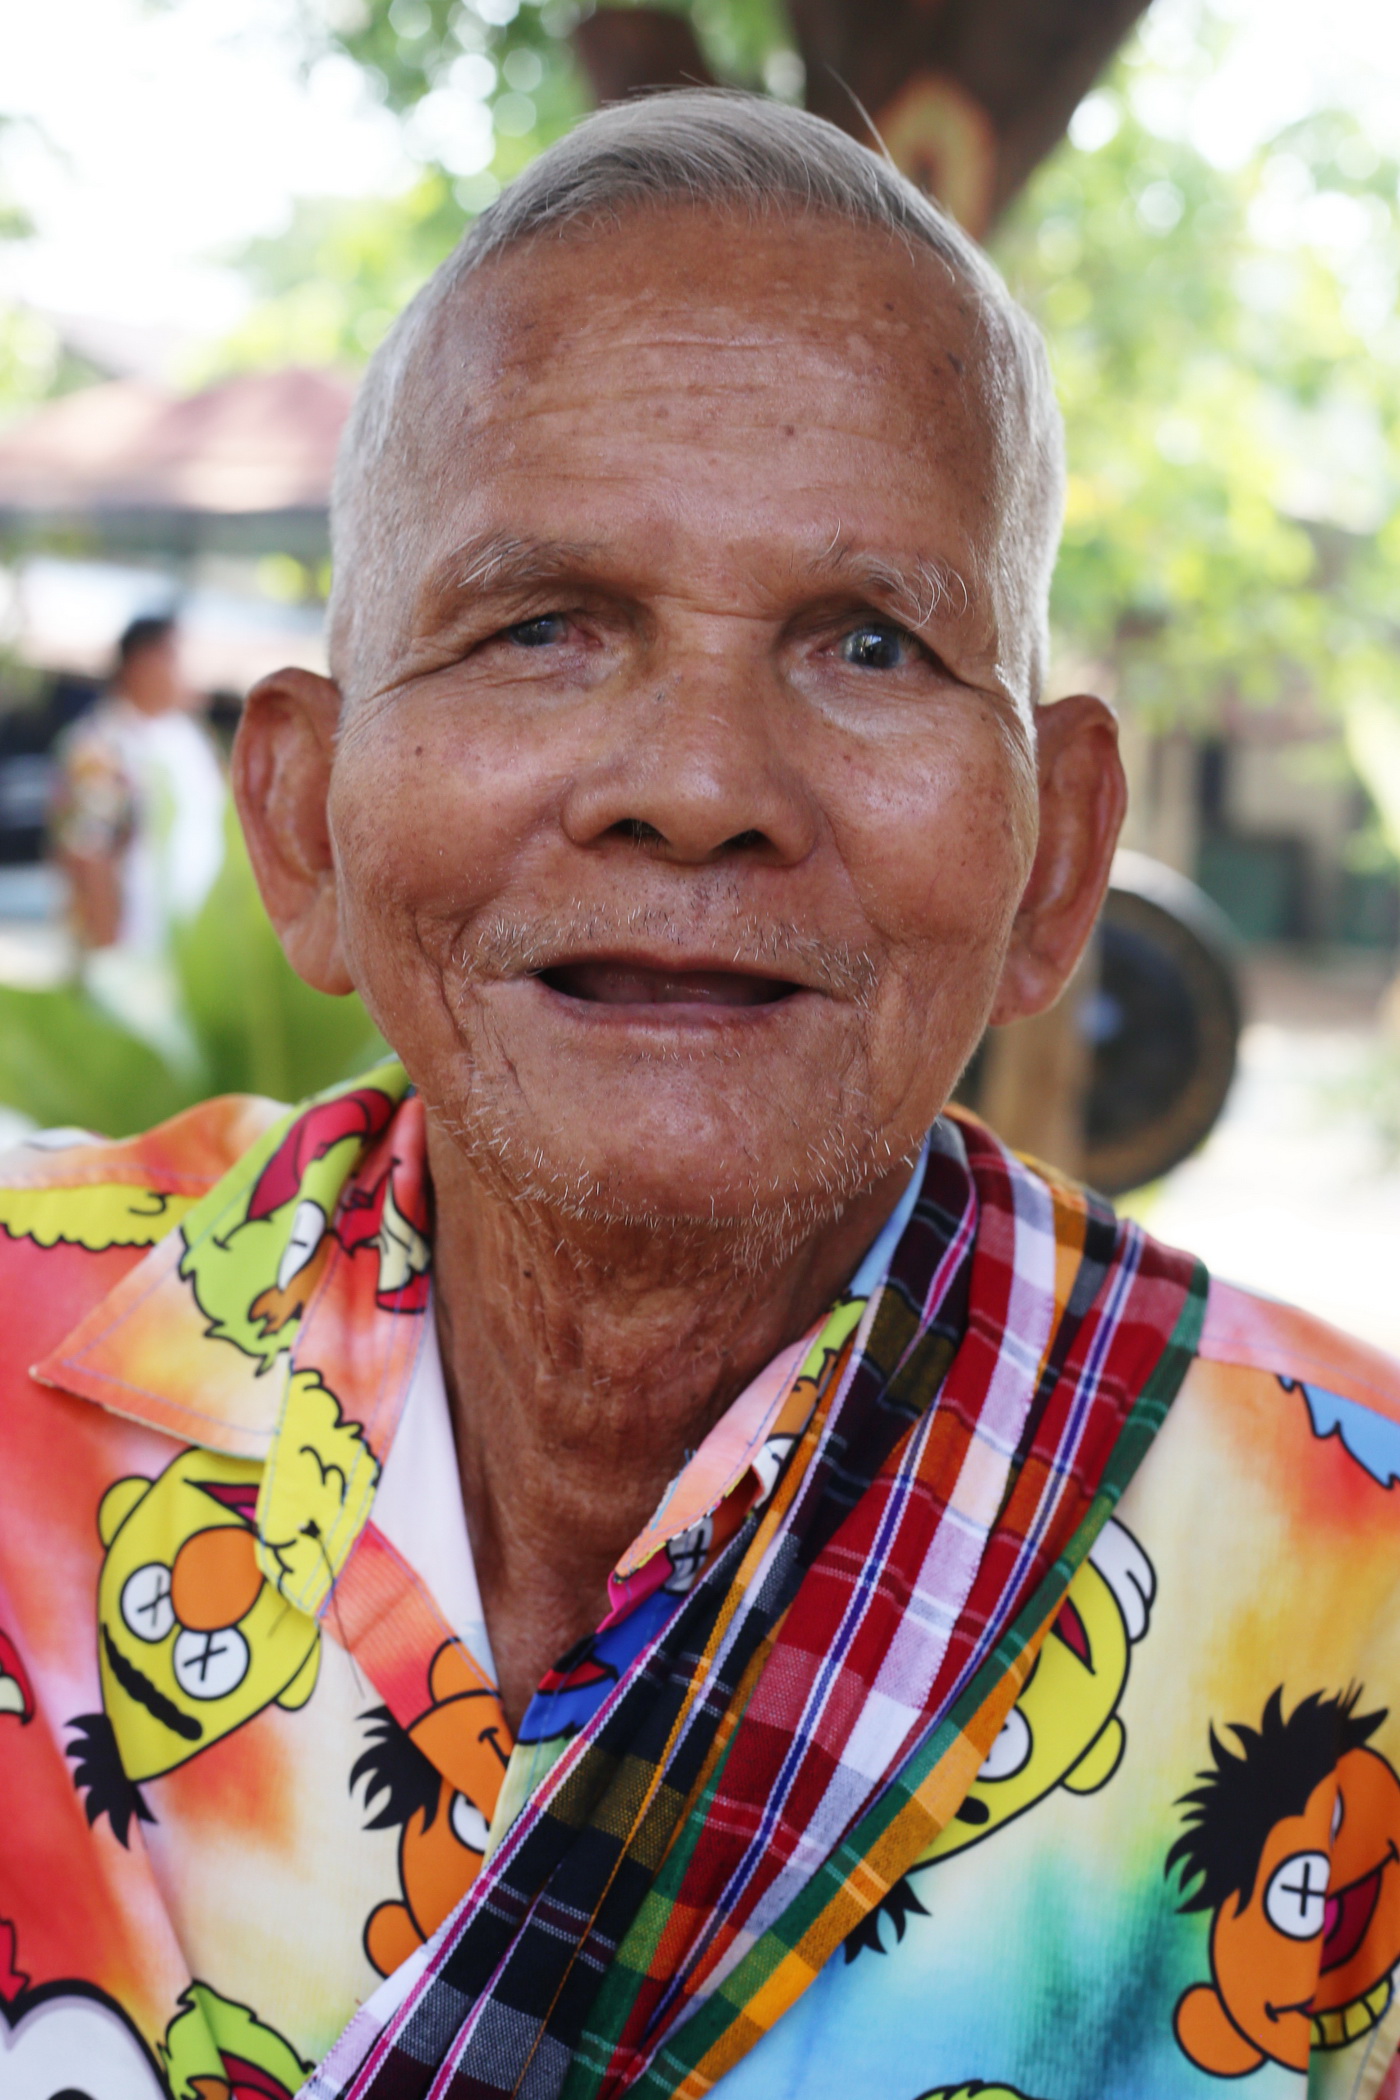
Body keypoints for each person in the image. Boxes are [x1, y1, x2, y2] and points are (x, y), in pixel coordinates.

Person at [2, 95, 1398, 2100]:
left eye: (870, 644)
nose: (698, 783)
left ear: (1060, 860)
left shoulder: (1353, 1583)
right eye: (540, 626)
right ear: (300, 821)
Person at [51, 612, 227, 958]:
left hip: (191, 951)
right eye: (177, 658)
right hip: (133, 953)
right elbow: (88, 856)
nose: (188, 673)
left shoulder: (190, 738)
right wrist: (109, 960)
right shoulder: (100, 747)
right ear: (143, 663)